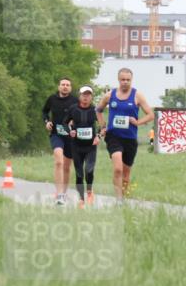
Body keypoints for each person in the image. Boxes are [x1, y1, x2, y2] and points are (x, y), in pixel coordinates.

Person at [96, 68, 153, 204]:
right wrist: (103, 126)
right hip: (113, 136)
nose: (125, 82)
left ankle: (124, 198)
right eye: (123, 80)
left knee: (126, 174)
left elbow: (151, 115)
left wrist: (138, 122)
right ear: (118, 80)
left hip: (130, 138)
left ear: (131, 80)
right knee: (117, 168)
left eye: (128, 80)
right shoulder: (110, 95)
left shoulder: (137, 95)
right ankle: (119, 199)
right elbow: (98, 110)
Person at [42, 78, 77, 205]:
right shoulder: (52, 99)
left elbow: (81, 114)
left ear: (70, 88)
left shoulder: (75, 101)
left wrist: (75, 122)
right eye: (63, 85)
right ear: (59, 87)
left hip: (70, 136)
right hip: (56, 134)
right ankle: (59, 194)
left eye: (68, 85)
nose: (65, 87)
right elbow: (44, 111)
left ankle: (64, 193)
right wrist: (47, 122)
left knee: (67, 166)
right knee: (58, 161)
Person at [66, 86, 102, 207]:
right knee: (79, 174)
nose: (86, 97)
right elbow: (64, 123)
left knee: (89, 171)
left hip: (91, 146)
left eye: (88, 94)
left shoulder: (95, 110)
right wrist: (70, 131)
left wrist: (98, 136)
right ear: (79, 96)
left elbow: (103, 125)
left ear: (91, 97)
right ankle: (81, 199)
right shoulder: (73, 109)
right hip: (76, 145)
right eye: (83, 94)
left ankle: (90, 192)